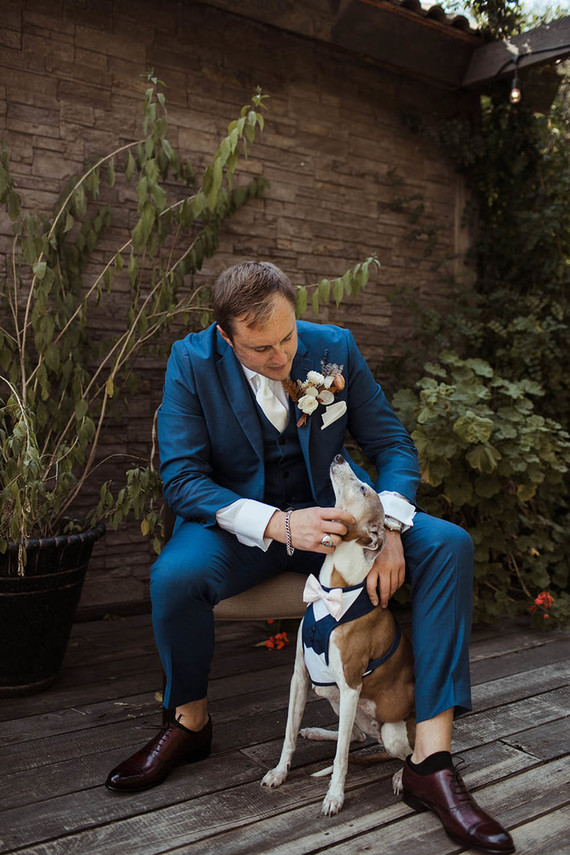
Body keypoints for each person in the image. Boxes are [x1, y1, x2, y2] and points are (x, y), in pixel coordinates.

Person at [106, 261, 514, 854]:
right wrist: (276, 522)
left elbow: (392, 444)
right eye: (262, 348)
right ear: (226, 336)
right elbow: (183, 480)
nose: (282, 356)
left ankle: (431, 761)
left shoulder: (334, 348)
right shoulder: (190, 362)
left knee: (449, 543)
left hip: (343, 523)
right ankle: (189, 723)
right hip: (244, 530)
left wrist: (388, 525)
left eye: (288, 338)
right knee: (175, 575)